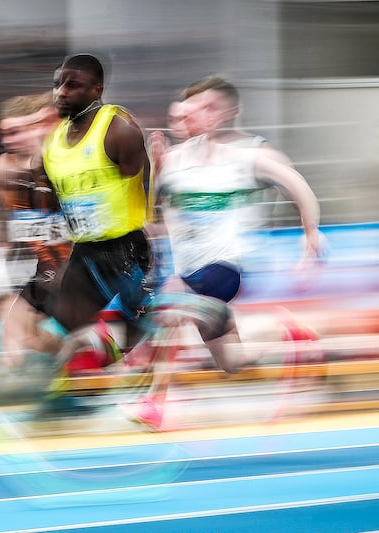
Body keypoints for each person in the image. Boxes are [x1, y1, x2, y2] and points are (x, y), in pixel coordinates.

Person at [122, 74, 327, 430]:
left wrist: (311, 233)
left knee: (171, 301)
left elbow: (297, 184)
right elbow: (156, 215)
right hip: (190, 269)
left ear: (226, 113)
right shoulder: (174, 160)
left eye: (207, 108)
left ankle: (154, 402)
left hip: (227, 265)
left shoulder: (247, 155)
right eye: (190, 110)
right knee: (232, 361)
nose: (195, 116)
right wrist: (156, 170)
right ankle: (285, 330)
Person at [35, 53, 153, 394]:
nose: (61, 92)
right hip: (87, 248)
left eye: (73, 85)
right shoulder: (54, 142)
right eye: (57, 84)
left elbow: (144, 182)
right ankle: (105, 358)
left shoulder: (119, 130)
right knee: (64, 316)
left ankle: (145, 387)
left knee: (141, 330)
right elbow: (58, 200)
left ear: (97, 89)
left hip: (126, 247)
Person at [0, 93, 71, 370]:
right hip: (25, 269)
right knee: (27, 338)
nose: (8, 140)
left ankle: (2, 402)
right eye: (4, 133)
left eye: (16, 132)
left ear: (36, 127)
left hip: (66, 271)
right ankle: (76, 356)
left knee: (12, 327)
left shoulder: (59, 164)